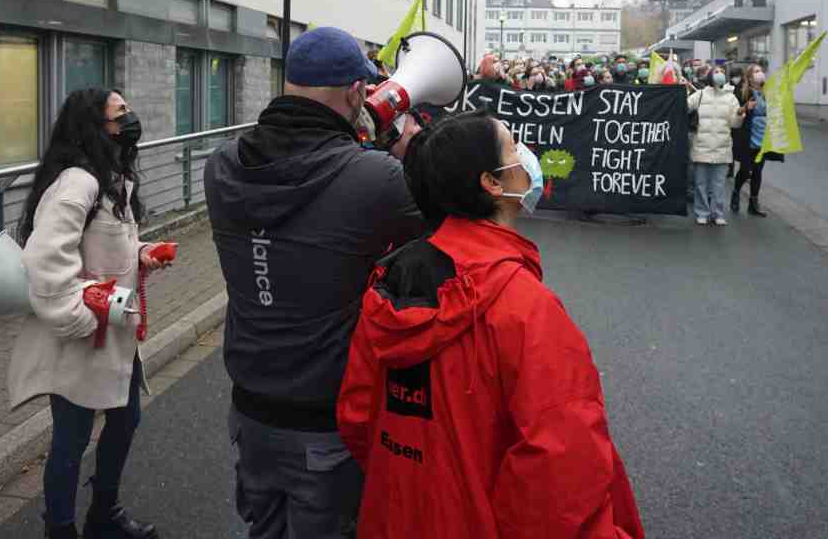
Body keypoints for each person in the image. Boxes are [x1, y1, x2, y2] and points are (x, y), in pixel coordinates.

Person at [337, 111, 646, 539]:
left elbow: (357, 416)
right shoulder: (525, 308)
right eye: (513, 146)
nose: (525, 156)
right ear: (492, 183)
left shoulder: (387, 285)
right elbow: (561, 474)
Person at [203, 27, 425, 538]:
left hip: (250, 405)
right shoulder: (373, 177)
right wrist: (405, 151)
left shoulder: (221, 166)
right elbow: (435, 235)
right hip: (327, 417)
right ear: (354, 93)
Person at [7, 88, 173, 539]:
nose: (131, 120)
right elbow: (43, 263)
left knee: (125, 419)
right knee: (71, 441)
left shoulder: (111, 178)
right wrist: (80, 318)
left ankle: (104, 515)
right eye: (121, 114)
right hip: (83, 335)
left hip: (115, 330)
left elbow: (102, 248)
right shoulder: (78, 183)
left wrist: (141, 254)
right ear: (94, 126)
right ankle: (60, 530)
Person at [688, 67, 744, 226]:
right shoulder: (699, 95)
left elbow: (735, 124)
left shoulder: (730, 97)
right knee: (701, 184)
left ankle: (718, 213)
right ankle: (702, 213)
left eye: (721, 71)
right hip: (701, 146)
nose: (719, 74)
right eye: (716, 71)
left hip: (722, 146)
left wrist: (739, 114)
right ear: (710, 76)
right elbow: (684, 107)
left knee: (718, 185)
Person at [731, 63, 778, 216]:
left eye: (761, 71)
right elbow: (736, 111)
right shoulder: (744, 92)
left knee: (758, 170)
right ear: (750, 77)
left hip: (763, 137)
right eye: (756, 71)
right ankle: (736, 193)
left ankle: (753, 204)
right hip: (748, 136)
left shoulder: (766, 92)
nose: (761, 73)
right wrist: (746, 107)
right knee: (745, 170)